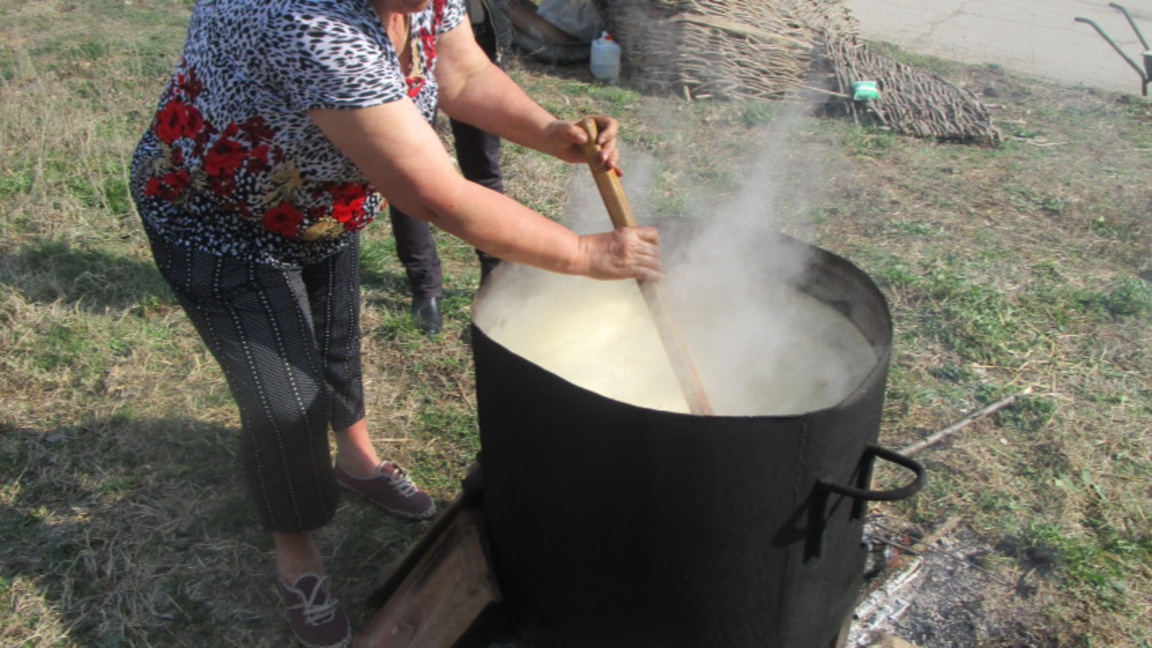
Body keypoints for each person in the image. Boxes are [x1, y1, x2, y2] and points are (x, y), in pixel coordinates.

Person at [128, 0, 661, 646]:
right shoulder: (310, 23)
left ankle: (358, 462)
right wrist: (582, 253)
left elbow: (463, 74)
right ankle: (297, 553)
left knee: (335, 337)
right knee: (286, 402)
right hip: (218, 218)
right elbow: (434, 195)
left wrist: (550, 132)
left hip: (318, 206)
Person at [390, 0, 505, 336]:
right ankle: (424, 287)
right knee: (409, 173)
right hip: (404, 33)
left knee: (484, 169)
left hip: (478, 34)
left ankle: (495, 281)